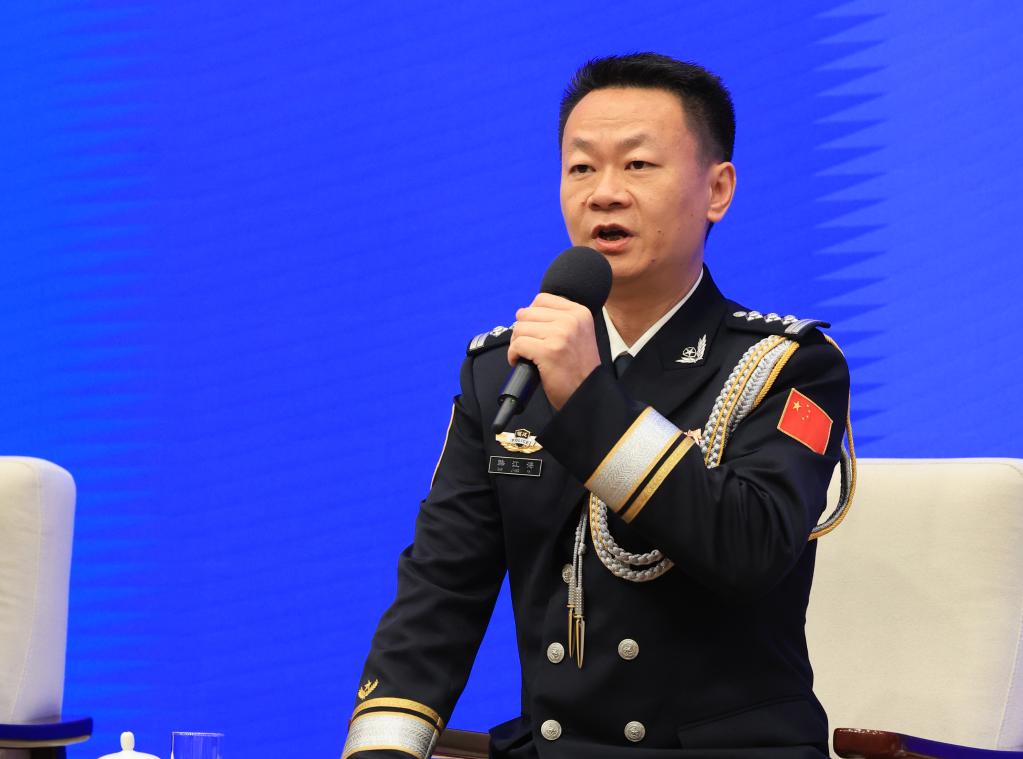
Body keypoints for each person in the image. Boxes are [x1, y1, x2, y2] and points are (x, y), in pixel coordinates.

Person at [341, 53, 853, 759]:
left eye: (637, 165)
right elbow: (440, 591)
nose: (604, 194)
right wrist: (381, 749)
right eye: (581, 168)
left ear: (717, 189)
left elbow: (749, 549)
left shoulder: (786, 366)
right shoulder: (503, 372)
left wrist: (587, 398)